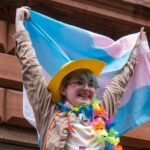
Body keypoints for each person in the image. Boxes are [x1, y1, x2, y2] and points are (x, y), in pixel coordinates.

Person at [14, 6, 142, 150]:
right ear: (63, 89)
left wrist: (134, 52)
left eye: (92, 84)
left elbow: (119, 84)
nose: (86, 88)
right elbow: (31, 69)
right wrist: (19, 25)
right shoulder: (48, 113)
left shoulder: (102, 111)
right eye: (79, 82)